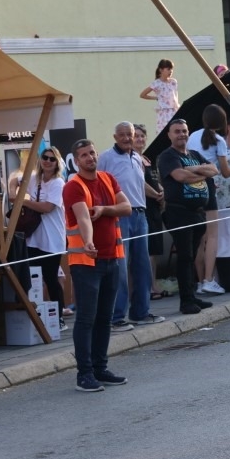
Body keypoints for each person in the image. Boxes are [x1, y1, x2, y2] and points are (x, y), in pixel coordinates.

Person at [63, 138, 131, 392]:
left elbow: (126, 208)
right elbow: (82, 217)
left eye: (92, 153)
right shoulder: (74, 186)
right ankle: (85, 373)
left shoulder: (107, 178)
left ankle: (100, 368)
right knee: (86, 319)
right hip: (86, 261)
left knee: (104, 318)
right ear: (76, 161)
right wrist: (89, 241)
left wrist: (104, 209)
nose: (90, 157)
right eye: (83, 155)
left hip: (112, 257)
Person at [98, 122, 165, 328]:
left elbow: (138, 184)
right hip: (120, 216)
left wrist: (156, 194)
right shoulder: (107, 157)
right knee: (121, 268)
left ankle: (140, 312)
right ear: (115, 136)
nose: (127, 138)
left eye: (130, 134)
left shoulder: (137, 157)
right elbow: (99, 184)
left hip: (140, 214)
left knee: (142, 265)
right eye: (123, 135)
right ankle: (117, 316)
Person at [187, 105, 230, 295]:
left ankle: (200, 281)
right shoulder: (219, 141)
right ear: (224, 124)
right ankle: (209, 280)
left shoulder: (193, 136)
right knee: (212, 236)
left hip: (193, 186)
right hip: (209, 186)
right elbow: (225, 173)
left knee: (200, 239)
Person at [157, 119, 219, 315]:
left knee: (192, 256)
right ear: (169, 134)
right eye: (177, 131)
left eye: (184, 131)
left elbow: (215, 170)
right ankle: (186, 301)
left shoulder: (193, 154)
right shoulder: (167, 156)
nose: (181, 134)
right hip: (178, 213)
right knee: (185, 257)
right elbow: (180, 177)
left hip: (198, 213)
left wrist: (193, 169)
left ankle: (192, 296)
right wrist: (203, 173)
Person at [21, 145, 68, 330]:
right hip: (34, 236)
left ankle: (59, 315)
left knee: (51, 277)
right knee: (32, 278)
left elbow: (48, 207)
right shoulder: (34, 178)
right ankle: (38, 315)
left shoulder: (58, 182)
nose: (47, 161)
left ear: (57, 162)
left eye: (52, 159)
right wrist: (14, 188)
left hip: (52, 238)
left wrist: (23, 201)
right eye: (45, 157)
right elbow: (15, 181)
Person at [133, 124, 170, 298]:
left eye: (142, 136)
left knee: (154, 251)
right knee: (145, 252)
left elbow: (154, 179)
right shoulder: (133, 159)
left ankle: (153, 285)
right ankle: (145, 288)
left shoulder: (146, 158)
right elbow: (139, 183)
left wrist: (161, 192)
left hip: (155, 207)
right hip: (144, 207)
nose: (140, 139)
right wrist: (156, 194)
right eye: (136, 136)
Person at [140, 58, 179, 134]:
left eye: (171, 69)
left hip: (174, 110)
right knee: (165, 131)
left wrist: (177, 107)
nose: (170, 71)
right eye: (168, 69)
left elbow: (175, 95)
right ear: (161, 70)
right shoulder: (157, 83)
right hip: (164, 112)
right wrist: (156, 98)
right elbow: (143, 95)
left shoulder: (173, 82)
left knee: (176, 130)